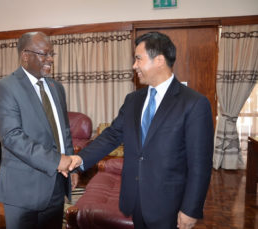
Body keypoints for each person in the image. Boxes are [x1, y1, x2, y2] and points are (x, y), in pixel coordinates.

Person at [69, 31, 214, 229]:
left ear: (159, 60)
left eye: (138, 59)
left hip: (170, 205)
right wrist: (79, 160)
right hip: (135, 199)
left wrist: (191, 208)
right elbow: (112, 135)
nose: (134, 65)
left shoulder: (194, 103)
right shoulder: (133, 100)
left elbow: (200, 164)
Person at [0, 31, 78, 229]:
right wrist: (57, 160)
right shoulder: (5, 88)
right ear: (25, 55)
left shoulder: (57, 87)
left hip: (56, 184)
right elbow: (12, 137)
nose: (50, 59)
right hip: (24, 190)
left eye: (52, 54)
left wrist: (71, 164)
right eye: (44, 54)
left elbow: (64, 131)